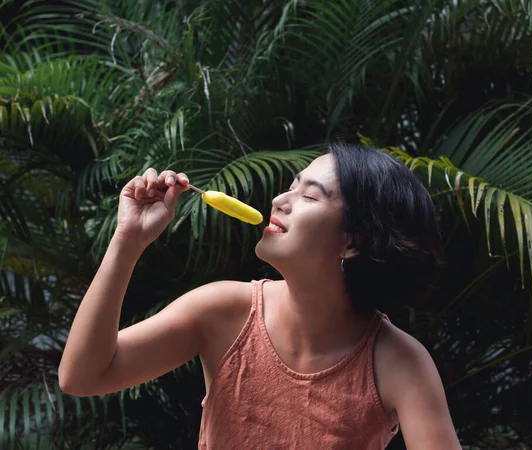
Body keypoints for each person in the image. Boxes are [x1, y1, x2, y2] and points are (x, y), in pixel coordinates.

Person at [59, 143, 462, 449]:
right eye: (291, 186)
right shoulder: (221, 311)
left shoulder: (399, 363)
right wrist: (127, 242)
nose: (278, 201)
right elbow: (82, 376)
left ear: (353, 241)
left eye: (308, 195)